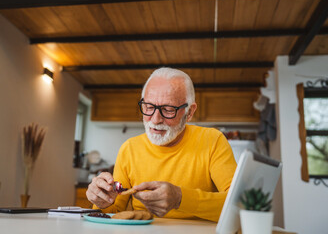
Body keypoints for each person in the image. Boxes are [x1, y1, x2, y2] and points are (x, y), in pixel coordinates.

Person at [86, 67, 237, 221]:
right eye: (149, 107)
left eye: (168, 109)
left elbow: (239, 205)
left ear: (189, 112)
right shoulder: (129, 148)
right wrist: (101, 199)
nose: (155, 119)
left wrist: (180, 198)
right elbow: (113, 211)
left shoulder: (212, 140)